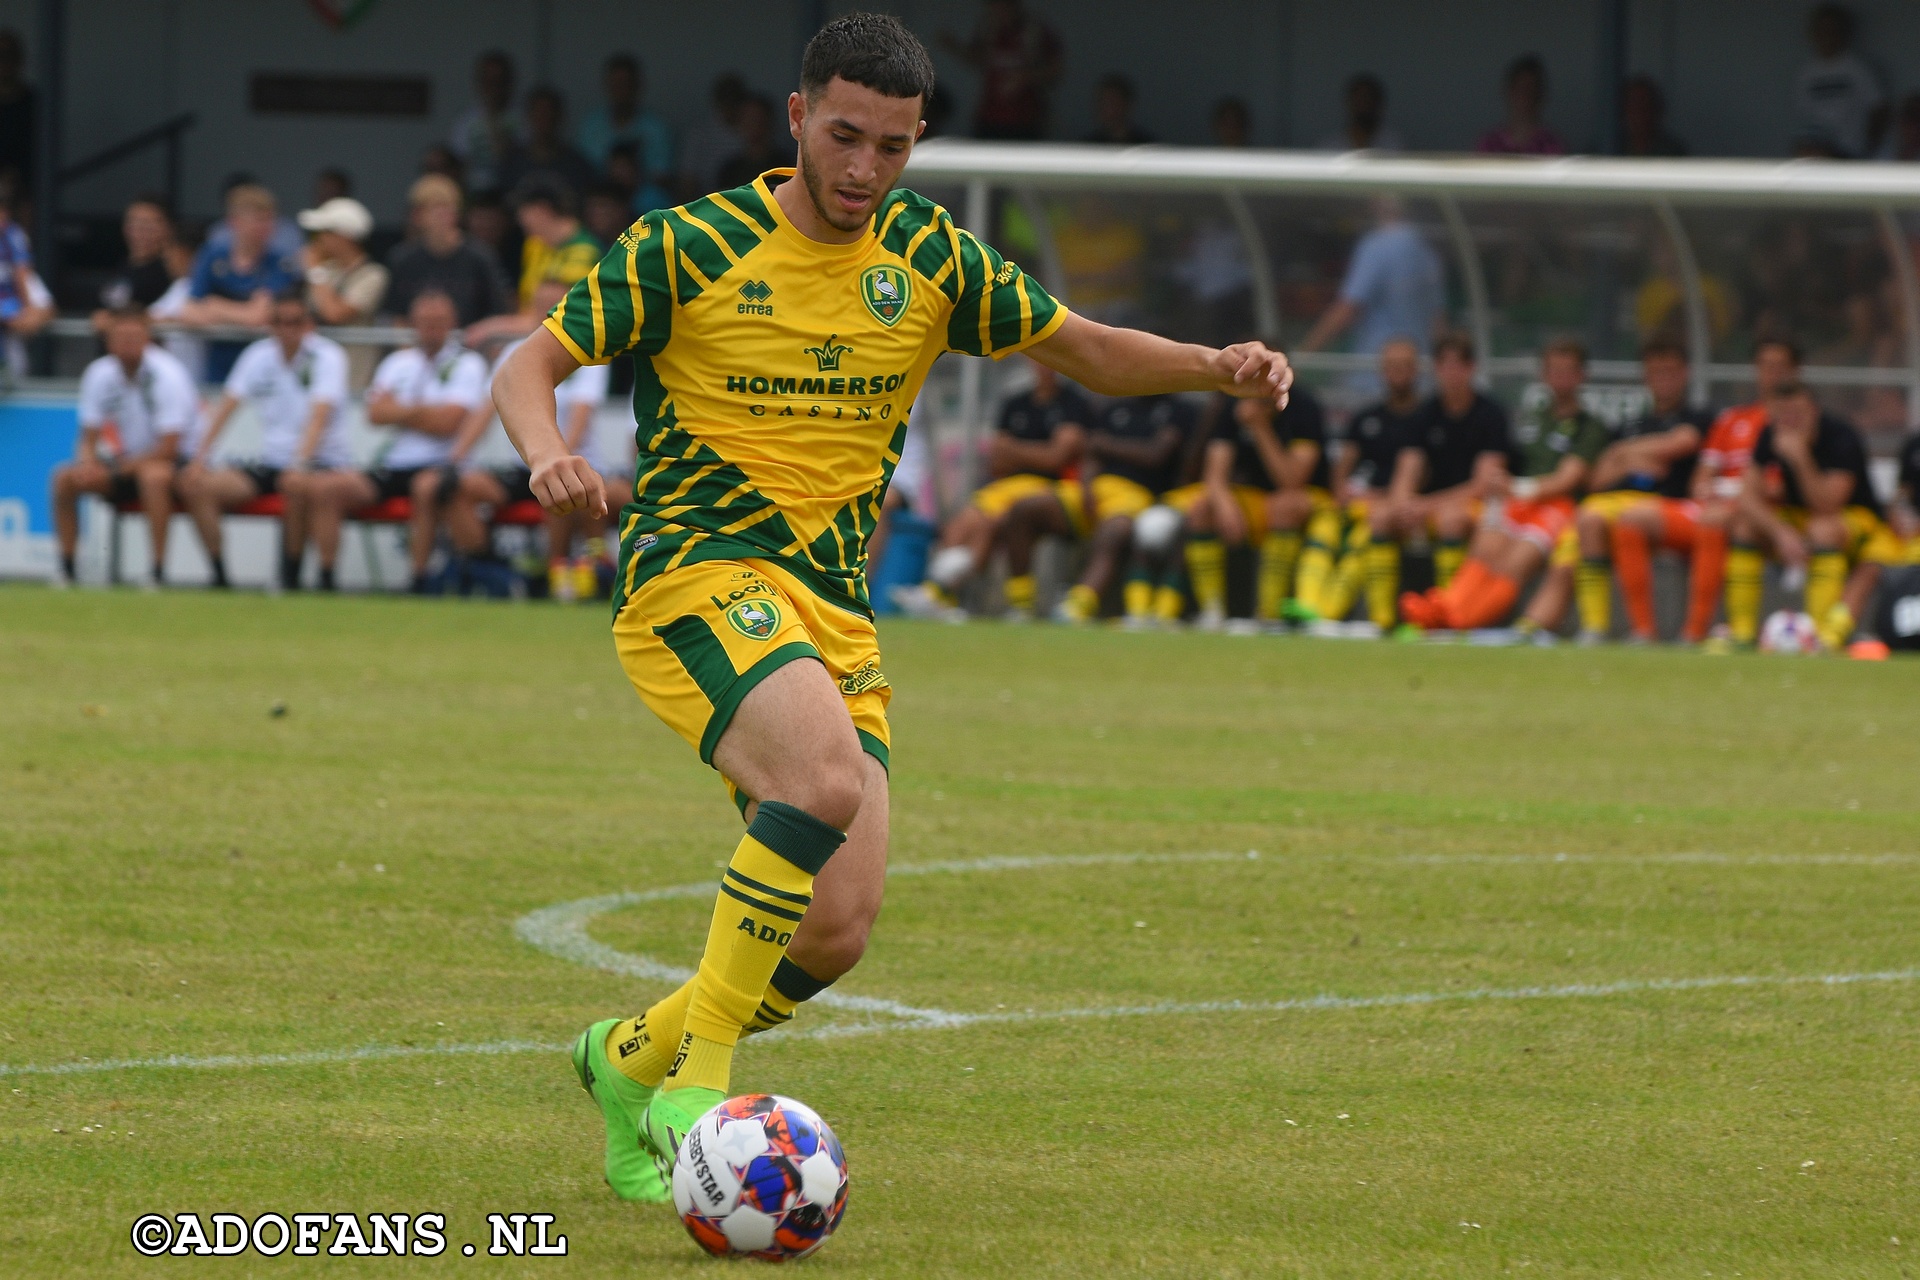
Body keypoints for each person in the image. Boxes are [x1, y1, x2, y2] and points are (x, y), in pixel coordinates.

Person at [490, 13, 1292, 1202]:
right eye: (848, 137)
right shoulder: (690, 245)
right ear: (799, 117)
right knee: (817, 783)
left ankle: (626, 1060)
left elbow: (1086, 347)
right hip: (696, 572)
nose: (866, 170)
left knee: (835, 929)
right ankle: (697, 1088)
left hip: (832, 606)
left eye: (895, 148)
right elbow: (528, 365)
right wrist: (549, 453)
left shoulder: (927, 253)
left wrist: (1213, 365)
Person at [1400, 339, 1608, 633]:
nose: (1560, 378)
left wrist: (1518, 488)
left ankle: (1463, 620)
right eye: (1554, 370)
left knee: (1515, 562)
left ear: (1581, 376)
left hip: (1556, 505)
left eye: (1568, 371)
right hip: (1515, 498)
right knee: (1484, 549)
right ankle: (1443, 609)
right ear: (1544, 375)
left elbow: (1567, 479)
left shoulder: (1589, 425)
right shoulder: (1530, 419)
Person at [307, 291, 488, 594]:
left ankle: (417, 579)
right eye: (425, 322)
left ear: (452, 324)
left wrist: (401, 410)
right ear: (413, 324)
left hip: (440, 463)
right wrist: (424, 412)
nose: (431, 328)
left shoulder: (467, 364)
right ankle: (326, 578)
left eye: (439, 322)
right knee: (326, 488)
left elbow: (449, 424)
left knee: (426, 488)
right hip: (395, 462)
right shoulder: (397, 362)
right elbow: (374, 415)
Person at [445, 279, 612, 603]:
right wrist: (456, 457)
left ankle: (558, 572)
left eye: (553, 307)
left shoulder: (591, 354)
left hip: (573, 461)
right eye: (538, 307)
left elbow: (580, 417)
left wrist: (559, 459)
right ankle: (491, 567)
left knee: (561, 485)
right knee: (454, 487)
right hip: (524, 464)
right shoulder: (515, 353)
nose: (544, 315)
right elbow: (485, 410)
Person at [891, 357, 1094, 620]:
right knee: (967, 520)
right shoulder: (1016, 403)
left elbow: (1057, 458)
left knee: (993, 522)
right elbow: (997, 459)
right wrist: (1035, 452)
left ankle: (945, 593)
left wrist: (1015, 450)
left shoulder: (1072, 403)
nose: (1045, 367)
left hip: (1050, 488)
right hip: (1008, 484)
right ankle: (936, 592)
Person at [178, 293, 351, 591]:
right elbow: (226, 409)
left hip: (320, 461)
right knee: (197, 486)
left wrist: (300, 463)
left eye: (295, 322)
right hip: (271, 460)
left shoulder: (327, 356)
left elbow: (319, 417)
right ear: (271, 325)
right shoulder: (258, 356)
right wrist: (199, 459)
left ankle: (292, 576)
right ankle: (220, 575)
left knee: (295, 484)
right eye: (280, 322)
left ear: (308, 324)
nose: (287, 330)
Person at [1728, 382, 1900, 650]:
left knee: (1824, 529)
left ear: (1814, 411)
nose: (1792, 422)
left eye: (1799, 413)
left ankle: (1820, 636)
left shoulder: (1841, 435)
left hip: (1858, 520)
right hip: (1800, 519)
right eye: (1784, 415)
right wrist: (1779, 532)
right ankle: (1741, 633)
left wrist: (1800, 457)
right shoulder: (1770, 434)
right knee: (1744, 528)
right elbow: (1747, 498)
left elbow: (1829, 505)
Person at [1001, 391, 1194, 624]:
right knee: (1023, 510)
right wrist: (1086, 485)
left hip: (1136, 494)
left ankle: (1079, 605)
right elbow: (1091, 453)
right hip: (1094, 489)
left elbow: (1156, 454)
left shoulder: (1177, 410)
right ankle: (1021, 606)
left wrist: (1106, 444)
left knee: (1113, 533)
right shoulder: (1115, 407)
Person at [1567, 339, 1713, 644]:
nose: (1663, 378)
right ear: (1645, 376)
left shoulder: (1697, 415)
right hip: (1618, 500)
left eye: (1670, 371)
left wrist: (1624, 455)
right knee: (1588, 518)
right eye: (1656, 371)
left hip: (1666, 504)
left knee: (1628, 518)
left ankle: (1644, 630)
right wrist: (1629, 455)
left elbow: (1681, 443)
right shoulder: (1630, 424)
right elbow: (1597, 479)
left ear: (1685, 373)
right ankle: (1594, 626)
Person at [49, 309, 200, 589]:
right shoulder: (99, 373)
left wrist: (117, 469)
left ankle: (157, 571)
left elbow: (169, 448)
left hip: (172, 463)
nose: (128, 344)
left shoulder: (167, 375)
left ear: (148, 339)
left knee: (154, 477)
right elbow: (88, 436)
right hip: (125, 462)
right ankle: (67, 568)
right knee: (63, 478)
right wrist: (87, 464)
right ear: (109, 342)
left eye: (135, 337)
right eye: (121, 337)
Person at [1370, 333, 1511, 621]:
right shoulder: (1425, 413)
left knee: (1452, 520)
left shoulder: (1491, 415)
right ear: (1435, 369)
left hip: (1475, 507)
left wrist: (1426, 505)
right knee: (1380, 517)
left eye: (1458, 366)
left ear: (1471, 369)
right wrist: (1402, 504)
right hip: (1430, 505)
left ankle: (1449, 612)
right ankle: (1381, 619)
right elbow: (1407, 468)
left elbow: (1483, 485)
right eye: (1444, 366)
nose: (1451, 374)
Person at [1172, 383, 1330, 630]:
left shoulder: (1303, 407)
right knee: (1203, 509)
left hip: (1303, 498)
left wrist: (1259, 426)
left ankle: (1269, 613)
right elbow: (1214, 475)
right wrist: (1225, 506)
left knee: (1285, 506)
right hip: (1253, 499)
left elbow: (1291, 480)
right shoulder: (1233, 404)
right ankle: (1212, 612)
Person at [1306, 336, 1423, 631]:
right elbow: (1342, 469)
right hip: (1360, 502)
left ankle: (1332, 611)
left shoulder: (1426, 417)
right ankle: (1308, 602)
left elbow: (1417, 476)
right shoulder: (1366, 417)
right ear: (1382, 371)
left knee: (1366, 533)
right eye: (1391, 366)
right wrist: (1342, 490)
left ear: (1416, 370)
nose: (1397, 372)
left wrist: (1381, 498)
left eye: (1404, 366)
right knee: (1324, 525)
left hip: (1397, 506)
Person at [1298, 196, 1444, 388]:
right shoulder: (1425, 250)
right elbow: (1438, 321)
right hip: (1418, 374)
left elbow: (1348, 307)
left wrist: (1302, 355)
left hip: (1374, 373)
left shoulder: (1376, 246)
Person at [177, 183, 301, 382]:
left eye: (269, 219)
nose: (265, 227)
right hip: (218, 367)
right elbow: (189, 311)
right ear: (234, 222)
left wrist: (214, 305)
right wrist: (242, 311)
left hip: (263, 370)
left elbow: (258, 316)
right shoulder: (212, 255)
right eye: (258, 220)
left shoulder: (280, 263)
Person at [385, 175, 513, 327]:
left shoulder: (480, 256)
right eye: (433, 210)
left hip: (470, 345)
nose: (440, 217)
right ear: (417, 216)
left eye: (446, 209)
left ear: (457, 214)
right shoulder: (402, 258)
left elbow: (497, 311)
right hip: (416, 346)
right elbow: (394, 314)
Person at [940, 0, 1063, 141]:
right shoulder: (987, 30)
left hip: (1026, 118)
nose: (997, 11)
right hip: (990, 116)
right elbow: (978, 59)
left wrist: (1024, 77)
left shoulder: (1034, 30)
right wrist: (954, 46)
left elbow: (1056, 69)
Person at [576, 54, 675, 213]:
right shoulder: (591, 125)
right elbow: (582, 175)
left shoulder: (656, 128)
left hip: (644, 204)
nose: (621, 90)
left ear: (637, 86)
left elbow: (662, 177)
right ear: (607, 85)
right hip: (600, 204)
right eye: (616, 84)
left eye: (626, 84)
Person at [1793, 3, 1886, 159]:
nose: (1827, 35)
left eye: (1832, 29)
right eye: (1822, 29)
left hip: (1850, 152)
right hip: (1816, 154)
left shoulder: (1857, 68)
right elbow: (1804, 116)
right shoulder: (1806, 74)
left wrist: (1869, 147)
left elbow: (1880, 108)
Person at [93, 197, 190, 327]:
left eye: (149, 224)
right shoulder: (120, 266)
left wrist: (126, 319)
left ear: (169, 228)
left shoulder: (173, 267)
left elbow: (180, 312)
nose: (141, 231)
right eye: (134, 223)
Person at [511, 178, 601, 311]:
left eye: (523, 212)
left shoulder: (585, 251)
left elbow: (552, 314)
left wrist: (486, 328)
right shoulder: (534, 245)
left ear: (541, 209)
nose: (520, 219)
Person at [297, 196, 388, 325]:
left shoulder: (374, 275)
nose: (319, 239)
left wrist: (314, 269)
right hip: (318, 345)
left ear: (345, 236)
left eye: (325, 232)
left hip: (351, 345)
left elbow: (334, 314)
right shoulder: (326, 269)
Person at [499, 86, 598, 199]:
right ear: (529, 116)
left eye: (548, 113)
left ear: (559, 117)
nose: (543, 119)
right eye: (538, 113)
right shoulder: (511, 164)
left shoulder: (577, 166)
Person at [448, 50, 519, 194]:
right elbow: (456, 165)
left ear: (509, 82)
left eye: (499, 80)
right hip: (475, 196)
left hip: (513, 195)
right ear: (479, 82)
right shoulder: (464, 123)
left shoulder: (524, 119)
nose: (494, 87)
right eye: (489, 80)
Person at [1476, 55, 1566, 155]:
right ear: (1509, 91)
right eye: (1521, 89)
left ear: (1540, 94)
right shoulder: (1489, 144)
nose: (1525, 96)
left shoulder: (1551, 145)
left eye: (1531, 89)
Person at [678, 74, 749, 199]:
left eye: (735, 99)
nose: (730, 105)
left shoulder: (753, 131)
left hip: (747, 198)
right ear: (717, 100)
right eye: (725, 99)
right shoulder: (700, 134)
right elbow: (687, 181)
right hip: (707, 201)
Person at [715, 93, 794, 190]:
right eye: (748, 120)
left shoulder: (786, 167)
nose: (754, 126)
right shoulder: (729, 171)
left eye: (758, 119)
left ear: (769, 122)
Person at [1317, 73, 1402, 152]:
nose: (1364, 106)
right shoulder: (1330, 145)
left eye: (1368, 100)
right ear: (1349, 103)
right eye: (1359, 100)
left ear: (1378, 104)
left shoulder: (1393, 145)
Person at [0, 29, 34, 200]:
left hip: (24, 192)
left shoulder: (33, 103)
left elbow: (38, 152)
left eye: (9, 55)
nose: (4, 62)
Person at [1619, 74, 1687, 157]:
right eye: (1634, 105)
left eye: (1646, 105)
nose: (1640, 113)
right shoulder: (1613, 148)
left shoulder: (1673, 152)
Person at [1083, 73, 1153, 145]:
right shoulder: (1088, 146)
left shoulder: (1146, 147)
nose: (1106, 109)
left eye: (1112, 103)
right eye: (1103, 102)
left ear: (1126, 105)